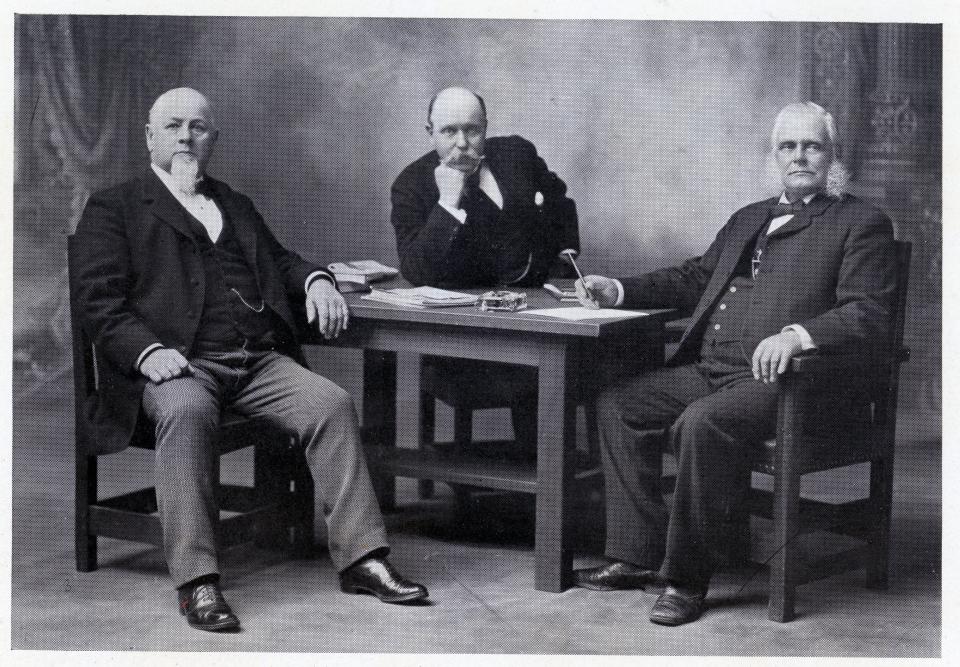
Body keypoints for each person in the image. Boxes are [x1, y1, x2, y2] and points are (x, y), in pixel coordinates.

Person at [72, 88, 428, 632]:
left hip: (257, 361)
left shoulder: (233, 203)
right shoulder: (114, 207)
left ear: (213, 138)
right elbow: (98, 301)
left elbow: (280, 261)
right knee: (188, 412)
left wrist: (316, 280)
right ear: (149, 137)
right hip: (179, 364)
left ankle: (363, 560)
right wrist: (148, 352)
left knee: (331, 403)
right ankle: (197, 583)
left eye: (198, 127)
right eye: (172, 126)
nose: (186, 136)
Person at [572, 102, 896, 626]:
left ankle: (684, 581)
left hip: (788, 382)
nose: (799, 156)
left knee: (703, 424)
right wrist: (619, 289)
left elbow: (869, 311)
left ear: (834, 154)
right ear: (774, 156)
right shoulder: (749, 217)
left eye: (811, 146)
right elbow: (695, 278)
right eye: (787, 147)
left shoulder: (860, 222)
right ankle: (636, 555)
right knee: (620, 405)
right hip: (714, 370)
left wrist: (799, 335)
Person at [391, 86, 580, 453]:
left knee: (556, 368)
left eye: (472, 130)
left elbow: (560, 198)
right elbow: (415, 270)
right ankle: (531, 485)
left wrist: (565, 259)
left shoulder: (516, 154)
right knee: (534, 377)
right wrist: (447, 203)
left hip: (539, 318)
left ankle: (546, 490)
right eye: (448, 132)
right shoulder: (411, 185)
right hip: (467, 341)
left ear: (486, 128)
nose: (462, 143)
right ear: (429, 132)